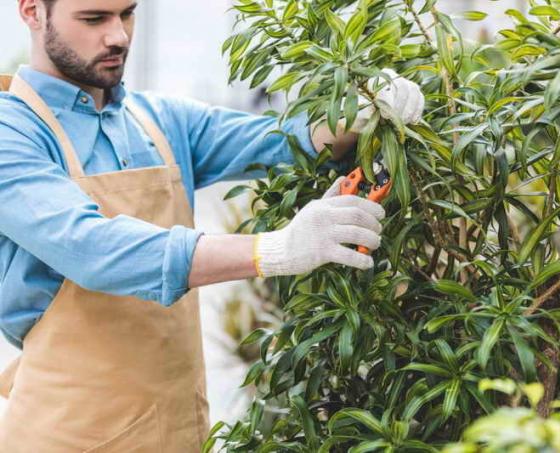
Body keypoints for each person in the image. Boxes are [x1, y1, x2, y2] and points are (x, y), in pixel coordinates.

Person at [0, 0, 425, 451]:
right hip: (66, 434)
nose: (119, 36)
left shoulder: (158, 122)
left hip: (179, 430)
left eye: (127, 14)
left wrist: (362, 112)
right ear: (32, 12)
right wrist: (275, 249)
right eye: (94, 18)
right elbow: (94, 249)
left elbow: (282, 139)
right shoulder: (14, 133)